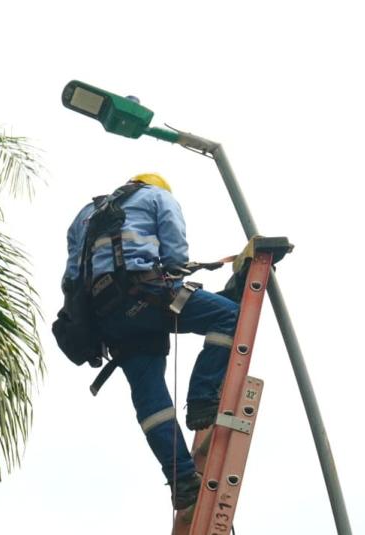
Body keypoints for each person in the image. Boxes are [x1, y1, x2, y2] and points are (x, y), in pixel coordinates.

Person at [62, 173, 240, 510]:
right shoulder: (158, 197)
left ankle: (182, 480)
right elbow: (175, 255)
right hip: (147, 295)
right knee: (228, 316)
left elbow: (72, 277)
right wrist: (172, 272)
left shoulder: (85, 215)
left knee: (150, 398)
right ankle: (202, 399)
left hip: (108, 318)